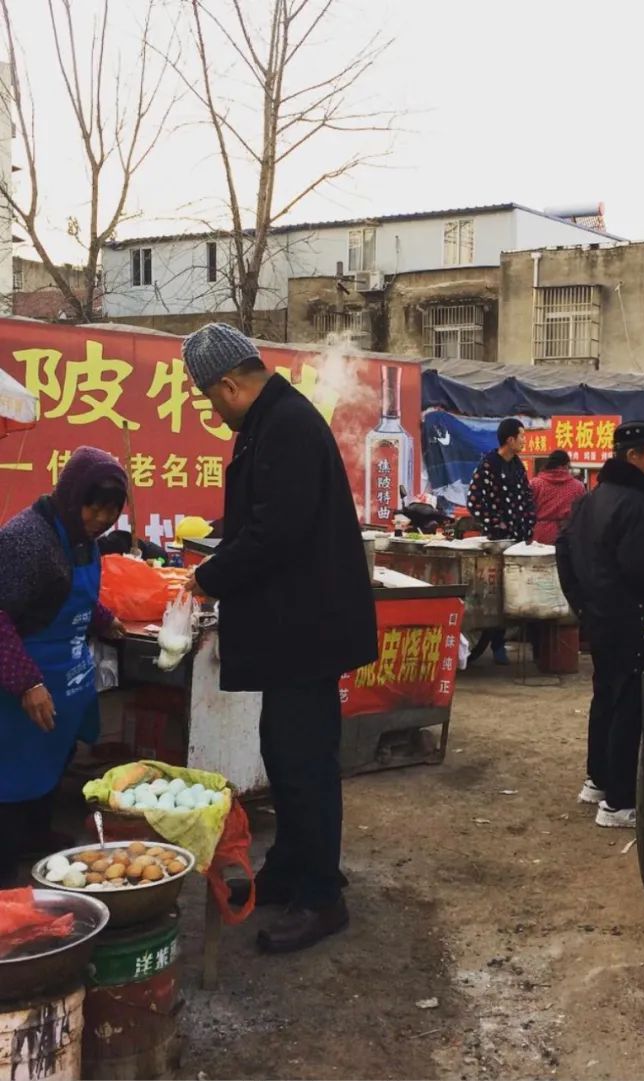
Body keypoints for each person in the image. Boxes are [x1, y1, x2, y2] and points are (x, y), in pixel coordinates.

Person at [181, 323, 377, 955]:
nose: (215, 413)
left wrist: (210, 577)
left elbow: (277, 532)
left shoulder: (286, 425)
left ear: (228, 385)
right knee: (284, 752)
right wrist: (217, 540)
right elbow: (259, 516)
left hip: (307, 629)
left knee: (305, 763)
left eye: (210, 400)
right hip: (295, 629)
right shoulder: (272, 421)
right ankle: (291, 869)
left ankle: (322, 897)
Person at [0, 447, 128, 885]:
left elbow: (64, 593)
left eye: (111, 510)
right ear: (73, 496)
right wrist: (26, 682)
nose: (101, 519)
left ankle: (35, 835)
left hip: (67, 678)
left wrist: (104, 619)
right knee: (11, 774)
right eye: (94, 507)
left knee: (54, 758)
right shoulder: (26, 540)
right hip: (20, 681)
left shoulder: (80, 537)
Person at [556, 422, 644, 829]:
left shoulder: (590, 499)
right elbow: (643, 568)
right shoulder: (637, 504)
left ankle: (597, 781)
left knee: (606, 695)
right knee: (628, 704)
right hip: (630, 618)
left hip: (599, 616)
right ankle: (618, 803)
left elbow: (563, 552)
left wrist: (583, 605)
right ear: (633, 456)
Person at [465, 418, 536, 665]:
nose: (525, 441)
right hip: (496, 543)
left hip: (518, 542)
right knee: (494, 593)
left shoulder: (518, 466)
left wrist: (529, 525)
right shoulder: (488, 465)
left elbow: (527, 497)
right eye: (522, 436)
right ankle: (495, 644)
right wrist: (497, 525)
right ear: (510, 439)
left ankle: (502, 640)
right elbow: (474, 501)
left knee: (511, 593)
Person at [529, 449, 586, 546]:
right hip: (567, 534)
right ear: (567, 465)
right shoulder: (578, 487)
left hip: (540, 535)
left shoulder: (535, 484)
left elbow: (527, 510)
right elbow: (583, 514)